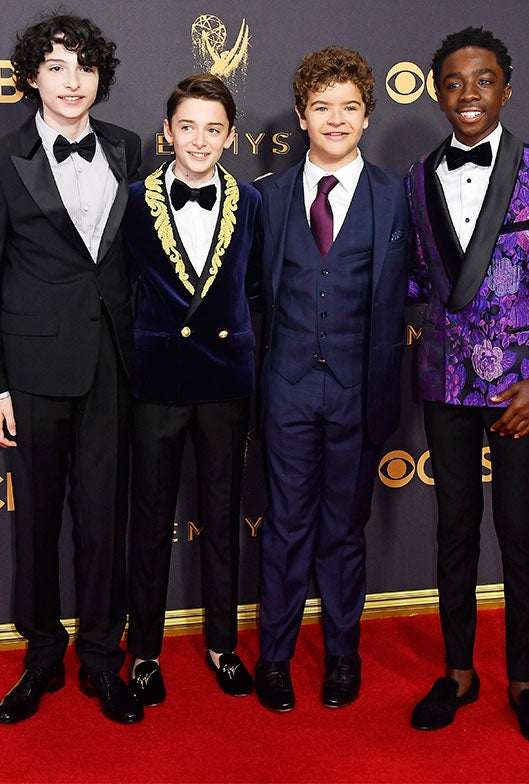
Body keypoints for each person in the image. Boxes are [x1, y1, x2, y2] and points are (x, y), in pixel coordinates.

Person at [254, 46, 410, 712]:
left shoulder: (397, 196)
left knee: (345, 529)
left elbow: (429, 277)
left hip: (360, 388)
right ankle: (275, 656)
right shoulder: (268, 197)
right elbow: (247, 294)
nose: (336, 119)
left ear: (368, 115)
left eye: (349, 107)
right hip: (286, 386)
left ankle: (343, 654)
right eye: (322, 107)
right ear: (301, 115)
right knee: (286, 525)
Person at [407, 26, 529, 745]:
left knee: (519, 534)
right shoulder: (416, 178)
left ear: (507, 89)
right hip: (443, 382)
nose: (469, 94)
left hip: (522, 390)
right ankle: (458, 672)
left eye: (484, 80)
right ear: (438, 94)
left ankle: (525, 678)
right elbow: (414, 278)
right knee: (454, 530)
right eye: (454, 82)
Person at [0, 14, 142, 724]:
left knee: (104, 518)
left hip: (113, 361)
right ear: (32, 76)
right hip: (32, 365)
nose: (72, 81)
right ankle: (42, 656)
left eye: (84, 67)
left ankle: (101, 658)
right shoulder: (5, 157)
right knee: (36, 521)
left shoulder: (127, 147)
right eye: (56, 66)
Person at [122, 73, 261, 706]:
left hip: (225, 383)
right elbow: (122, 287)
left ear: (230, 137)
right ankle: (145, 652)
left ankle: (222, 646)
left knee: (222, 520)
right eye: (187, 127)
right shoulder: (133, 199)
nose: (199, 140)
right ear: (167, 131)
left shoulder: (252, 203)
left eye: (213, 129)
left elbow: (256, 291)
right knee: (150, 523)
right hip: (157, 383)